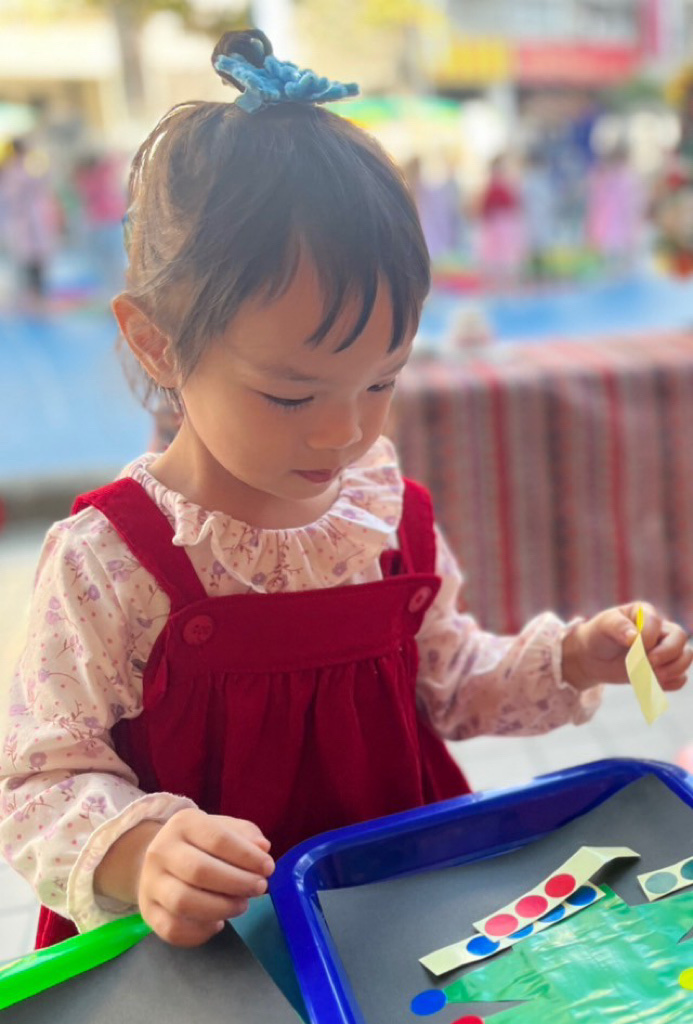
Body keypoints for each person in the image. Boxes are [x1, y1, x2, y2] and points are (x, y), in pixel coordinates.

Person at [0, 30, 690, 954]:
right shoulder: (112, 562)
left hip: (394, 917)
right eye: (291, 395)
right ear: (158, 343)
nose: (344, 432)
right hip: (214, 958)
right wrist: (140, 851)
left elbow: (447, 681)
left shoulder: (381, 515)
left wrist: (568, 659)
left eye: (381, 381)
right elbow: (38, 779)